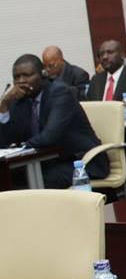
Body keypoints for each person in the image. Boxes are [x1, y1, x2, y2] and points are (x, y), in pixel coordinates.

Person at [0, 54, 108, 188]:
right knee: (6, 179)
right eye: (16, 77)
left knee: (38, 182)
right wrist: (4, 106)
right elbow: (6, 141)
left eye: (27, 75)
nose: (21, 81)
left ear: (43, 74)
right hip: (46, 161)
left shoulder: (60, 92)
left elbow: (50, 136)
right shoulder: (19, 100)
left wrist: (21, 147)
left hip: (80, 160)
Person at [86, 39, 126, 117]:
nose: (104, 57)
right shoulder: (95, 80)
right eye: (101, 54)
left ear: (122, 55)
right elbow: (88, 111)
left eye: (110, 52)